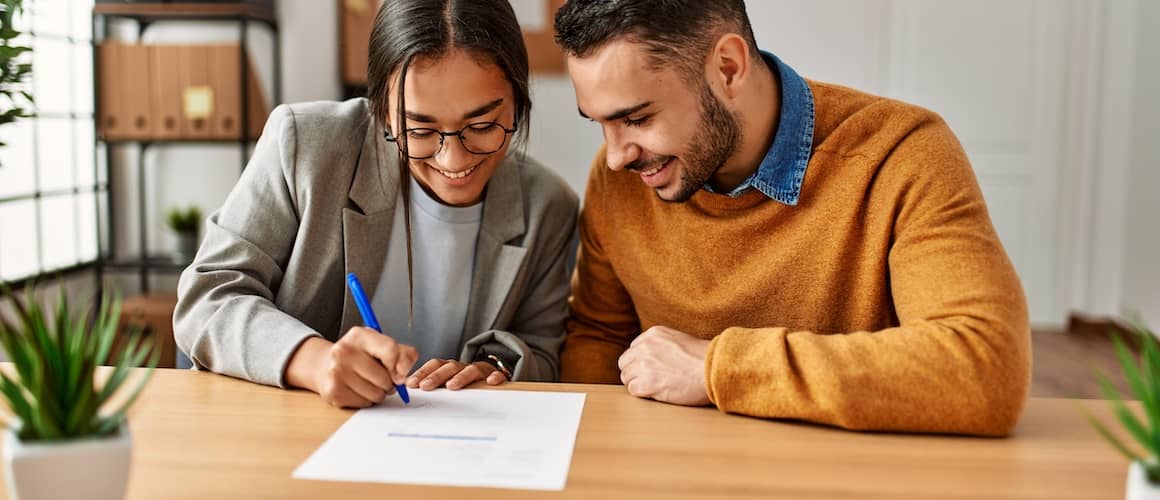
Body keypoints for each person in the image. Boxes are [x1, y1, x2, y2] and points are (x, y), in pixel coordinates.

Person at [554, 0, 1030, 435]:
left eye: (636, 119)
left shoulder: (900, 154)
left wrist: (718, 369)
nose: (616, 156)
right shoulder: (624, 178)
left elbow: (984, 368)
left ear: (728, 67)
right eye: (599, 122)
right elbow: (599, 337)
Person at [174, 0, 578, 408]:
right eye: (419, 129)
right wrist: (314, 361)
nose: (453, 160)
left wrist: (495, 365)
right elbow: (206, 299)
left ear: (519, 99)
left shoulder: (547, 206)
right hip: (292, 434)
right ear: (382, 110)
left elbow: (542, 350)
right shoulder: (306, 148)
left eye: (483, 126)